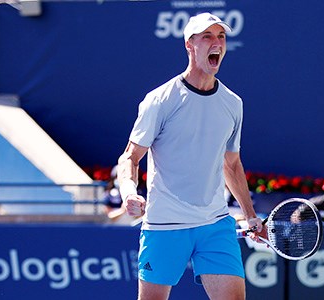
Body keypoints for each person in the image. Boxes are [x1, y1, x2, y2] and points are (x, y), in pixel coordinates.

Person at [117, 12, 264, 300]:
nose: (216, 43)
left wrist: (249, 216)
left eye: (221, 37)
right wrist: (128, 192)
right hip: (165, 224)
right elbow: (130, 157)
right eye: (207, 36)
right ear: (190, 44)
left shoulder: (233, 104)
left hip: (215, 223)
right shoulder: (160, 100)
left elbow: (231, 164)